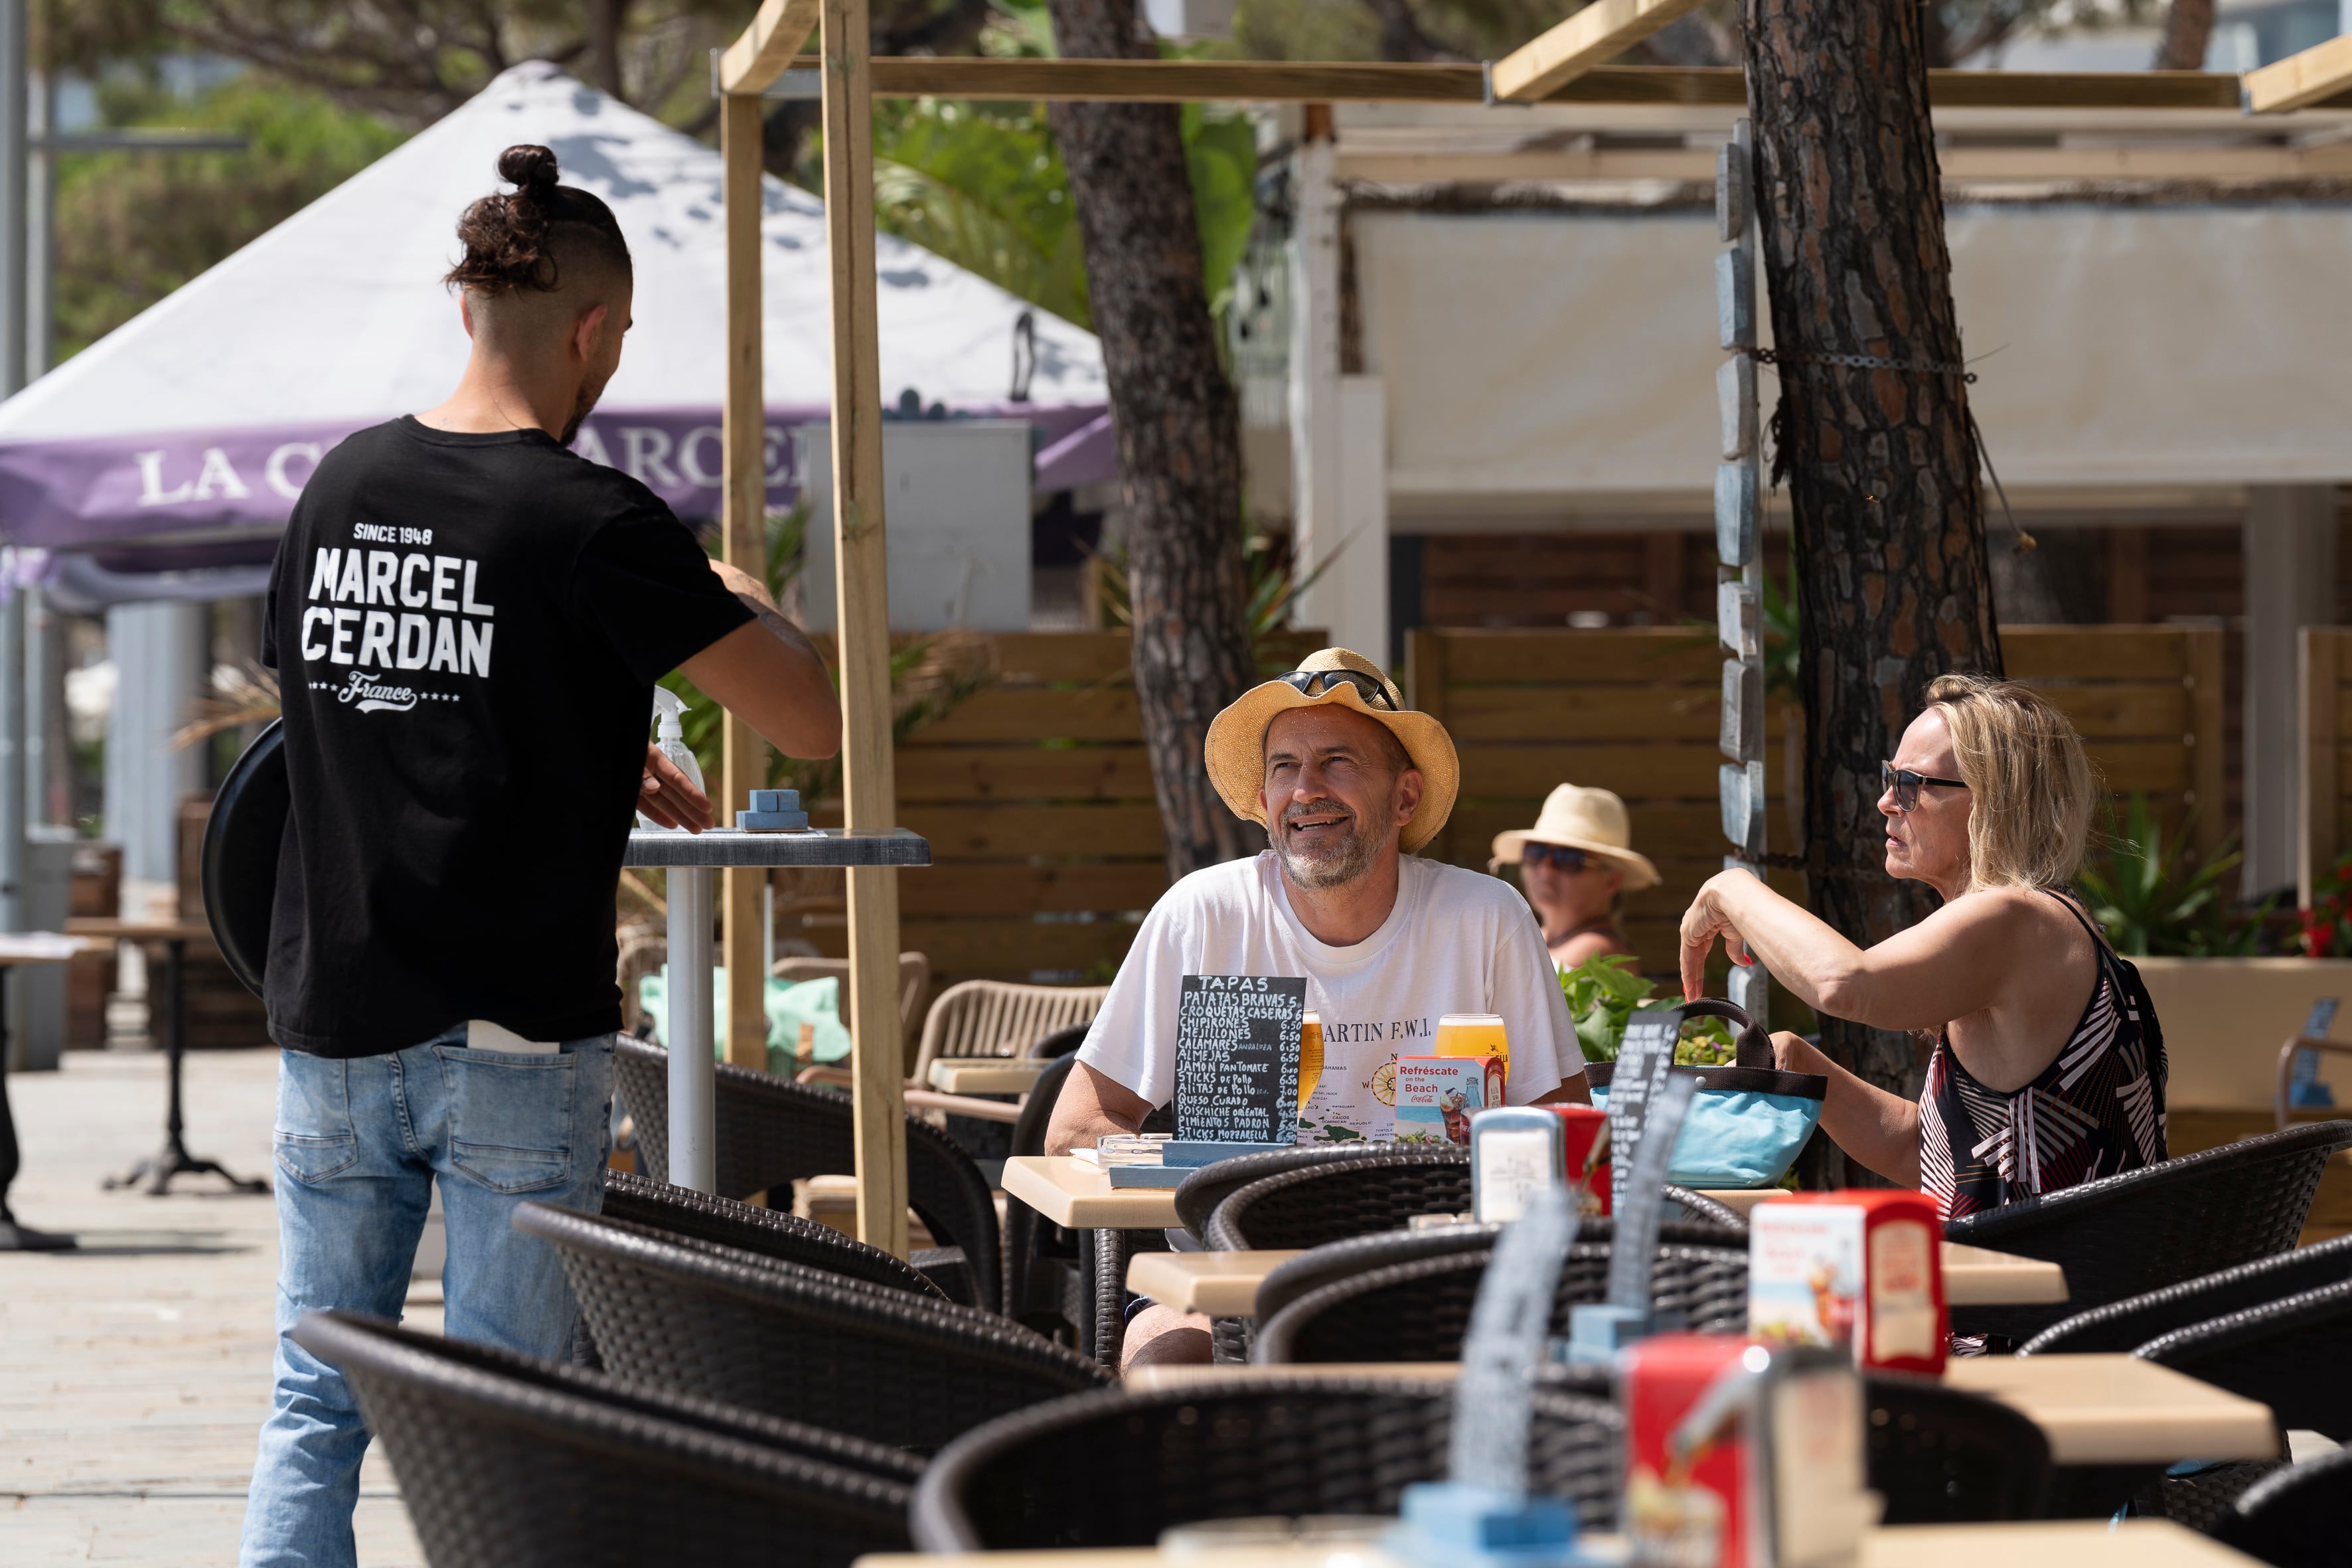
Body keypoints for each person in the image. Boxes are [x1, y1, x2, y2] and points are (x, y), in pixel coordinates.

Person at [238, 145, 841, 1568]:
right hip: (511, 1031)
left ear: (466, 312)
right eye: (618, 342)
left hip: (334, 1021)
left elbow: (351, 696)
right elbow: (808, 719)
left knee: (314, 1400)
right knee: (512, 1417)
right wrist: (728, 589)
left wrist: (576, 730)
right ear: (592, 330)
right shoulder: (596, 518)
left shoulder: (337, 486)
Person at [1046, 648, 1590, 1365]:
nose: (1306, 790)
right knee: (1165, 1366)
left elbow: (1571, 1134)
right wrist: (1215, 1176)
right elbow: (1076, 1127)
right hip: (1224, 1281)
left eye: (1337, 761)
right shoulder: (1203, 914)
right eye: (1284, 767)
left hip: (1425, 1271)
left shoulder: (1484, 916)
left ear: (1404, 799)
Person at [1677, 672, 2164, 1222]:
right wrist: (1803, 1068)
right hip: (2038, 1278)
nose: (1886, 801)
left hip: (2044, 1291)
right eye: (1889, 776)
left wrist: (1731, 888)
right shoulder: (2041, 923)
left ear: (1992, 803)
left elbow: (1842, 983)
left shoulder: (2017, 919)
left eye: (1911, 784)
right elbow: (1932, 1157)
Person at [1491, 783, 1660, 971]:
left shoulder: (1601, 949)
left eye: (1568, 858)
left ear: (1612, 881)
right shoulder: (1538, 936)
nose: (1546, 869)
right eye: (1536, 853)